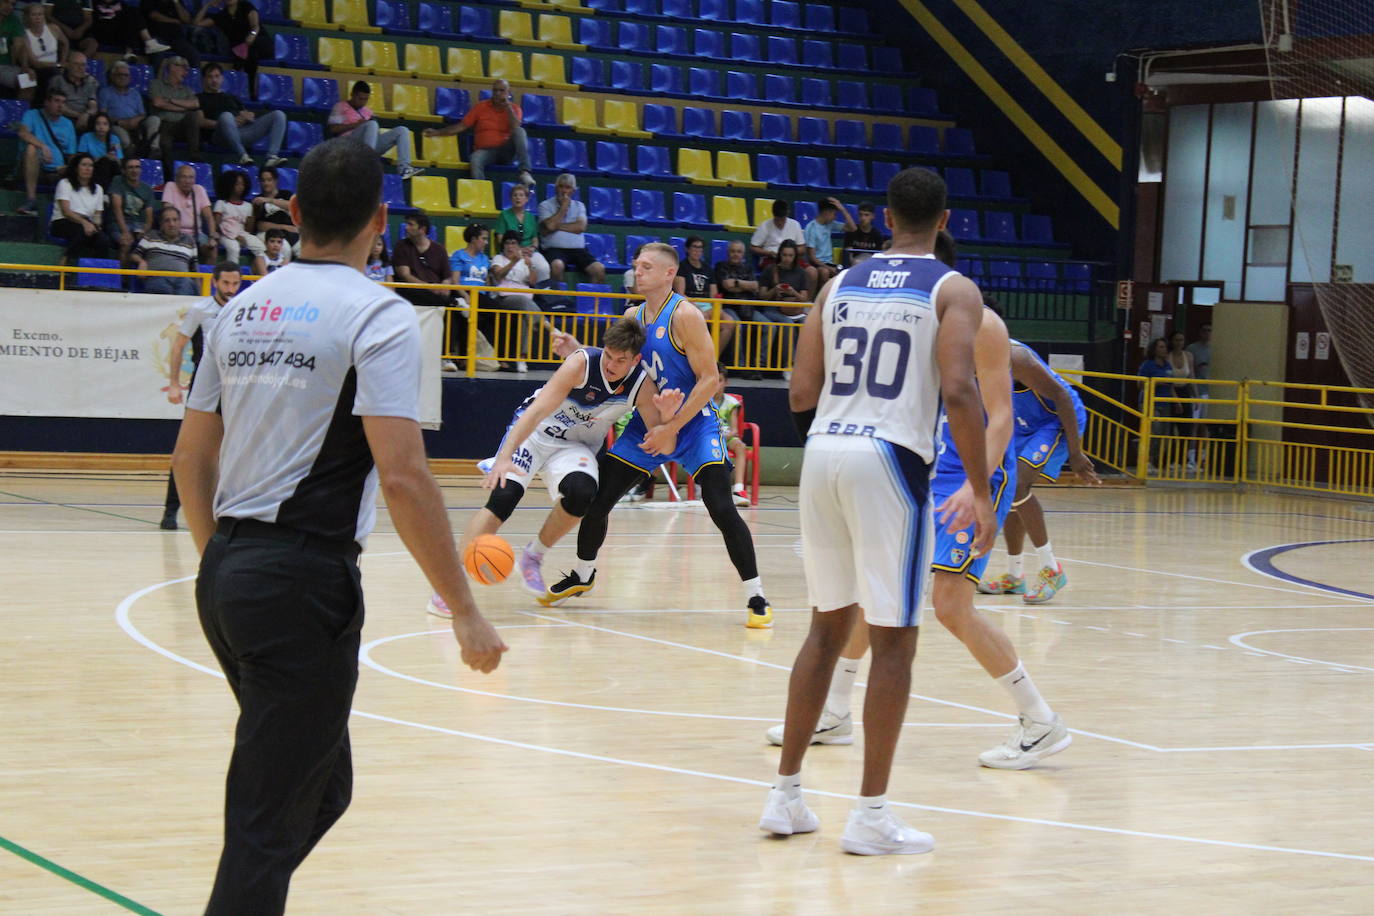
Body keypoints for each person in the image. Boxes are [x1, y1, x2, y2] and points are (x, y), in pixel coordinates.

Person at [171, 137, 507, 915]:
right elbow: (403, 475)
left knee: (320, 788)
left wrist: (222, 562)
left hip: (228, 573)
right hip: (302, 581)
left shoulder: (239, 310)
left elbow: (190, 457)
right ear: (380, 221)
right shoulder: (379, 315)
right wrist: (464, 609)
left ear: (293, 212)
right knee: (266, 820)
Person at [769, 229, 1072, 771]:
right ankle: (835, 710)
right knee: (873, 593)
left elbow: (1000, 415)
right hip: (923, 464)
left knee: (951, 605)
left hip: (973, 470)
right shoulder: (913, 315)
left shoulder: (983, 324)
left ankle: (1039, 719)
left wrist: (975, 484)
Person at [758, 166, 993, 855]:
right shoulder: (953, 288)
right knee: (893, 640)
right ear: (944, 221)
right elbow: (959, 389)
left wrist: (839, 434)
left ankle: (785, 796)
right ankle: (870, 816)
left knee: (825, 630)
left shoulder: (835, 285)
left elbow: (801, 390)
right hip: (889, 458)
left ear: (886, 218)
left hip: (824, 450)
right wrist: (980, 490)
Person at [545, 243, 774, 627]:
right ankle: (583, 575)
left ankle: (756, 596)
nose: (637, 272)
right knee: (598, 499)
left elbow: (710, 379)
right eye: (636, 266)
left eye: (647, 267)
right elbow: (615, 364)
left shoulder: (686, 315)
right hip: (650, 422)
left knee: (721, 506)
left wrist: (674, 425)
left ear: (669, 273)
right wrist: (577, 352)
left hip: (693, 423)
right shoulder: (632, 315)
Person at [430, 318, 681, 611]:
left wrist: (668, 419)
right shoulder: (580, 364)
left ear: (636, 360)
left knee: (582, 494)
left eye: (620, 360)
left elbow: (666, 448)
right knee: (504, 496)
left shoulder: (642, 386)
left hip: (575, 446)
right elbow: (536, 411)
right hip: (535, 433)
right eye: (608, 356)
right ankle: (450, 586)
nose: (611, 365)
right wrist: (504, 457)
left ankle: (533, 557)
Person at [977, 338, 1099, 604]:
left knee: (1018, 485)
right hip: (1021, 420)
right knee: (1008, 488)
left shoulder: (1016, 357)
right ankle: (1014, 575)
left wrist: (1076, 454)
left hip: (1055, 419)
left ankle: (1052, 569)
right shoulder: (969, 356)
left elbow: (1062, 398)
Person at [162, 260, 241, 528]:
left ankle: (228, 511)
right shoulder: (200, 310)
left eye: (235, 283)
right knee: (191, 447)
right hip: (205, 383)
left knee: (233, 448)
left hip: (235, 383)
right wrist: (174, 383)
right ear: (215, 282)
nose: (230, 288)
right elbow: (178, 346)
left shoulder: (242, 309)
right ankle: (170, 510)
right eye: (226, 283)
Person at [423, 77, 533, 184]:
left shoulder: (515, 109)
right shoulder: (481, 107)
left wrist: (508, 107)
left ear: (508, 93)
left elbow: (515, 127)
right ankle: (481, 190)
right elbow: (462, 126)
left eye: (501, 90)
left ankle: (525, 172)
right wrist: (437, 132)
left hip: (507, 151)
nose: (498, 93)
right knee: (475, 159)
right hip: (486, 151)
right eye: (495, 90)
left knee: (520, 131)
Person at [198, 61, 286, 167]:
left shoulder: (231, 97)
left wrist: (248, 116)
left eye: (217, 76)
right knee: (226, 116)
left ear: (222, 78)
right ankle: (243, 156)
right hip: (219, 135)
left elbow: (245, 113)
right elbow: (201, 122)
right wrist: (228, 124)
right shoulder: (199, 98)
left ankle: (271, 157)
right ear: (204, 79)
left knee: (278, 114)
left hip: (241, 132)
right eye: (210, 77)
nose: (214, 80)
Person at [327, 80, 421, 179]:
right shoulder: (340, 107)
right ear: (352, 95)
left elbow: (374, 136)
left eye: (366, 99)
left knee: (402, 130)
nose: (363, 102)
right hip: (348, 146)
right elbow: (333, 129)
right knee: (371, 124)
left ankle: (404, 169)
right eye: (360, 99)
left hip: (368, 147)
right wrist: (356, 125)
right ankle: (367, 164)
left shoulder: (368, 112)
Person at [488, 229, 548, 371]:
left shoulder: (523, 261)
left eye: (513, 243)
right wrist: (513, 262)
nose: (510, 246)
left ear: (519, 246)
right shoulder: (498, 258)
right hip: (503, 297)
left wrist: (530, 265)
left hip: (524, 300)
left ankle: (521, 357)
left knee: (525, 317)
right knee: (524, 302)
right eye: (507, 243)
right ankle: (544, 322)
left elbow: (532, 282)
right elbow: (498, 276)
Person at [15, 88, 77, 217]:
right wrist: (42, 146)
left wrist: (68, 168)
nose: (60, 106)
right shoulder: (32, 115)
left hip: (57, 171)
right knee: (31, 148)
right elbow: (23, 133)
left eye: (63, 102)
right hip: (32, 168)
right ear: (47, 102)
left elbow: (71, 154)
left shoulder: (68, 124)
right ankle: (31, 199)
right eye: (56, 101)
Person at [675, 235, 738, 360]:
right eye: (694, 247)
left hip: (707, 304)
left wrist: (715, 307)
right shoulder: (681, 267)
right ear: (687, 249)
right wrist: (697, 307)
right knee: (702, 317)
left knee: (729, 322)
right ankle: (697, 358)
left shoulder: (708, 269)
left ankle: (712, 359)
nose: (697, 250)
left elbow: (714, 295)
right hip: (688, 303)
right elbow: (680, 293)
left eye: (700, 248)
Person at [193, 0, 271, 99]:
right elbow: (197, 23)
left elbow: (255, 27)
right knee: (247, 53)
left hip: (259, 41)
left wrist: (252, 35)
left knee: (250, 49)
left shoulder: (246, 6)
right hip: (241, 49)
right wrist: (207, 5)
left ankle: (248, 87)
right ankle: (249, 90)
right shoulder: (222, 16)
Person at [538, 172, 605, 286]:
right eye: (561, 186)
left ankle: (592, 298)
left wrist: (556, 226)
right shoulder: (545, 205)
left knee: (599, 269)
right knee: (557, 266)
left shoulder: (579, 206)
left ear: (573, 191)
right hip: (554, 249)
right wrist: (563, 208)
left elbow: (580, 227)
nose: (564, 191)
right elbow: (549, 227)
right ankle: (559, 297)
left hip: (578, 250)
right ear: (556, 188)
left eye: (567, 187)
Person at [50, 152, 112, 262]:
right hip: (63, 221)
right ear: (76, 168)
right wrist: (85, 223)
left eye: (91, 165)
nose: (88, 168)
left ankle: (95, 269)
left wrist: (96, 226)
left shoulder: (98, 189)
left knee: (103, 240)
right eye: (84, 165)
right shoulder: (65, 183)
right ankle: (65, 259)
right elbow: (66, 212)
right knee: (82, 231)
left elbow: (97, 215)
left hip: (87, 223)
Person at [713, 239, 762, 376]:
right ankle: (740, 366)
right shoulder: (720, 266)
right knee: (737, 325)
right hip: (729, 307)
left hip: (748, 307)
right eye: (733, 251)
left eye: (739, 252)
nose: (735, 254)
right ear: (728, 253)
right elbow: (727, 286)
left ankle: (760, 365)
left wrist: (736, 282)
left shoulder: (748, 268)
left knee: (769, 326)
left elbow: (755, 286)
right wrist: (746, 285)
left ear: (743, 254)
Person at [98, 60, 160, 155]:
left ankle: (153, 149)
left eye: (126, 75)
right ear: (112, 76)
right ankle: (129, 156)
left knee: (154, 119)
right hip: (116, 124)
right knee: (125, 140)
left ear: (130, 78)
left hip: (136, 123)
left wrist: (134, 121)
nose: (123, 77)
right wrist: (120, 122)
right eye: (119, 75)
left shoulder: (135, 93)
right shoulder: (105, 92)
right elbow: (103, 115)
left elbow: (142, 114)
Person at [135, 205, 199, 295]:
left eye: (175, 220)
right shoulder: (151, 236)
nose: (171, 224)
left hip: (183, 279)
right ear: (161, 224)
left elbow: (195, 270)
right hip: (157, 277)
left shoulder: (189, 240)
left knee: (186, 287)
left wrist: (202, 296)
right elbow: (134, 254)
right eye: (167, 220)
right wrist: (141, 261)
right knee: (162, 290)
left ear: (180, 222)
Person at [147, 55, 201, 163]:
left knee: (193, 115)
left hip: (181, 126)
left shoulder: (187, 90)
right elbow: (158, 103)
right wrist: (184, 107)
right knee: (165, 144)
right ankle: (168, 171)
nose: (186, 72)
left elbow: (195, 104)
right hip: (164, 124)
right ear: (172, 67)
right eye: (184, 68)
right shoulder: (156, 84)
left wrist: (171, 100)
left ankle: (195, 157)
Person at [1135, 336, 1177, 473]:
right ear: (1154, 349)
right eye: (1160, 347)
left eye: (1165, 347)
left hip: (1165, 402)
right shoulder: (1147, 365)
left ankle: (1157, 461)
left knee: (1164, 434)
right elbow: (1140, 384)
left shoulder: (1167, 365)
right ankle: (1146, 460)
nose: (1164, 349)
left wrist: (1176, 400)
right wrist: (1156, 382)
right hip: (1150, 402)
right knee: (1154, 431)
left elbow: (1170, 385)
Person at [712, 364, 750, 506]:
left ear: (726, 382)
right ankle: (703, 487)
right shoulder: (702, 401)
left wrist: (724, 437)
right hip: (708, 437)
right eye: (713, 380)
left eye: (720, 380)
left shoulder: (731, 403)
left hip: (726, 437)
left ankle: (738, 489)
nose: (716, 384)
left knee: (741, 446)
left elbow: (734, 430)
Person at [162, 162, 216, 262]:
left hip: (197, 234)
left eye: (191, 177)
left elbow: (209, 217)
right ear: (177, 178)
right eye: (184, 177)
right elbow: (167, 213)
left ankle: (207, 272)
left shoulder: (199, 189)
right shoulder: (170, 186)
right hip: (176, 233)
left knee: (212, 249)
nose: (187, 181)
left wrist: (212, 237)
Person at [212, 168, 264, 267]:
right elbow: (217, 225)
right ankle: (232, 272)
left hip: (242, 233)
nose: (240, 187)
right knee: (234, 248)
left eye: (242, 184)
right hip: (225, 235)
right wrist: (235, 236)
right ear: (229, 185)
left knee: (260, 247)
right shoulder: (221, 203)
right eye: (237, 184)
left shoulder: (248, 206)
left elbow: (248, 229)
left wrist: (254, 213)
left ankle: (260, 271)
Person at [107, 156, 155, 264]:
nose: (134, 170)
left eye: (137, 167)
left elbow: (149, 219)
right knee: (126, 242)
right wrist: (125, 232)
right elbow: (117, 209)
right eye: (130, 167)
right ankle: (122, 274)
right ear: (124, 171)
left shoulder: (147, 189)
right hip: (119, 223)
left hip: (139, 225)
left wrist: (144, 231)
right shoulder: (118, 181)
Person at [13, 3, 67, 96]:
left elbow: (65, 43)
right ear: (27, 17)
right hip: (36, 69)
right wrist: (59, 65)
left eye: (40, 14)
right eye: (34, 15)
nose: (37, 17)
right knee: (52, 73)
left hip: (55, 68)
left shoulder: (54, 28)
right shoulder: (24, 35)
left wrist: (63, 61)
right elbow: (35, 63)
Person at [89, 0, 170, 60]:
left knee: (133, 13)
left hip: (118, 35)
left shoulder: (121, 4)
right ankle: (148, 42)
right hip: (102, 33)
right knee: (131, 13)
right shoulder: (94, 3)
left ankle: (139, 47)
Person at [750, 199, 809, 276]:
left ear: (787, 214)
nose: (780, 222)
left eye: (782, 219)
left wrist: (790, 254)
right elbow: (753, 247)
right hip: (771, 260)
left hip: (793, 260)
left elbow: (802, 248)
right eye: (777, 220)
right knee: (777, 272)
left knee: (811, 271)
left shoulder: (795, 224)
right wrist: (768, 253)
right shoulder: (765, 225)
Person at [802, 197, 854, 284]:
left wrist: (843, 209)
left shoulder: (830, 224)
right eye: (834, 214)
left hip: (829, 263)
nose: (835, 217)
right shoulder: (811, 228)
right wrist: (829, 268)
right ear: (827, 212)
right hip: (815, 264)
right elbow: (812, 257)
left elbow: (852, 228)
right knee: (825, 272)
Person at [51, 51, 100, 134]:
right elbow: (58, 106)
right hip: (64, 116)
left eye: (83, 65)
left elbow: (93, 105)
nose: (80, 68)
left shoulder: (91, 81)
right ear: (68, 65)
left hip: (86, 118)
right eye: (76, 64)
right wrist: (79, 116)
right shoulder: (57, 81)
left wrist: (87, 114)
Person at [250, 164, 297, 250]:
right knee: (284, 248)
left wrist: (269, 200)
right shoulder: (258, 200)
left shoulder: (286, 194)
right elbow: (260, 225)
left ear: (275, 180)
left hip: (292, 233)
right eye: (263, 180)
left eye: (269, 180)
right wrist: (284, 227)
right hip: (270, 234)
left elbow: (292, 206)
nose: (266, 183)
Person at [141, 0, 199, 67]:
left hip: (176, 38)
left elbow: (186, 19)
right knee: (158, 52)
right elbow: (153, 15)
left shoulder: (177, 2)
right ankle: (157, 73)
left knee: (194, 55)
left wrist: (176, 3)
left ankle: (193, 74)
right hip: (157, 36)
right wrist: (173, 21)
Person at [0, 0, 34, 102]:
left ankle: (19, 111)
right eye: (6, 2)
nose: (10, 7)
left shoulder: (13, 20)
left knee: (28, 80)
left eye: (13, 4)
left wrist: (25, 67)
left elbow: (20, 45)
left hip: (4, 66)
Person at [77, 111, 122, 187]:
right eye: (98, 124)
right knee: (104, 162)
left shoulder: (114, 139)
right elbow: (82, 160)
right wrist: (103, 157)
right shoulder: (86, 137)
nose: (101, 127)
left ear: (109, 127)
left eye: (105, 124)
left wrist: (114, 158)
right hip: (92, 169)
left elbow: (119, 163)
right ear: (94, 125)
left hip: (111, 170)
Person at [493, 181, 540, 249]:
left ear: (526, 199)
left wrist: (532, 248)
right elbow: (500, 238)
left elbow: (535, 239)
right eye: (515, 195)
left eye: (521, 195)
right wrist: (517, 250)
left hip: (529, 251)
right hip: (510, 250)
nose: (518, 197)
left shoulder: (531, 217)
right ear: (511, 198)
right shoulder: (504, 215)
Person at [842, 201, 888, 265]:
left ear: (873, 216)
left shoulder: (877, 235)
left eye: (866, 215)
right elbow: (848, 255)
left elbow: (879, 256)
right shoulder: (851, 232)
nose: (863, 218)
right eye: (860, 215)